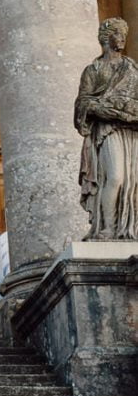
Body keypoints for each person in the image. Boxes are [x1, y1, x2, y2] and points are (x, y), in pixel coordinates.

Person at [75, 16, 138, 241]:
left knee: (135, 182)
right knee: (117, 177)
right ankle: (107, 228)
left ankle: (129, 229)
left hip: (131, 131)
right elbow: (83, 103)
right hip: (108, 130)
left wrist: (128, 111)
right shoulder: (94, 70)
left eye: (123, 35)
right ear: (106, 38)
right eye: (117, 34)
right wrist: (108, 110)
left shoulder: (132, 68)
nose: (121, 39)